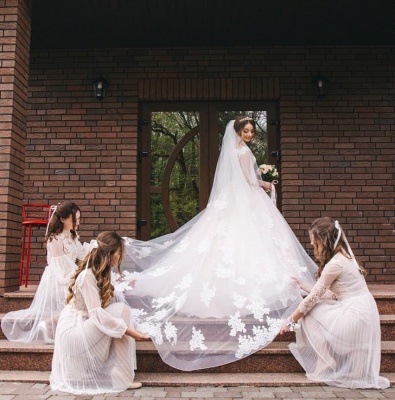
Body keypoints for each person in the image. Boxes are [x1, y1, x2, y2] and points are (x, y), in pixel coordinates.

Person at [118, 116, 318, 371]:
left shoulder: (233, 151)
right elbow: (249, 182)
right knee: (249, 244)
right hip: (246, 203)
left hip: (231, 204)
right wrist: (266, 182)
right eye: (246, 131)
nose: (249, 135)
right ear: (237, 132)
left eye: (251, 132)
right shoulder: (243, 152)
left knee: (226, 246)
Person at [280, 217, 390, 389]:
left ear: (323, 241)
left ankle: (325, 361)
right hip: (364, 311)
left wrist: (290, 320)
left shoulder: (335, 264)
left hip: (355, 315)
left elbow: (313, 299)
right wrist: (305, 286)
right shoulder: (346, 258)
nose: (310, 243)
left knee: (308, 314)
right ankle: (354, 364)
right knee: (317, 306)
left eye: (313, 239)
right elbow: (332, 294)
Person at [50, 231, 150, 395]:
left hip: (84, 325)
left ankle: (121, 373)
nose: (121, 256)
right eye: (119, 252)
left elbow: (110, 303)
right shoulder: (86, 277)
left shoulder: (100, 274)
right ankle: (121, 374)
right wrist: (129, 331)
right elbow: (97, 314)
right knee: (121, 312)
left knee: (121, 311)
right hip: (74, 333)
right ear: (110, 254)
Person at [1, 200, 87, 343]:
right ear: (62, 219)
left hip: (70, 274)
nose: (77, 223)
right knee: (79, 299)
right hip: (59, 278)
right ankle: (48, 325)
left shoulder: (72, 234)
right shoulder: (54, 239)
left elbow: (80, 255)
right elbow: (61, 269)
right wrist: (78, 274)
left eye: (78, 219)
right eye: (74, 219)